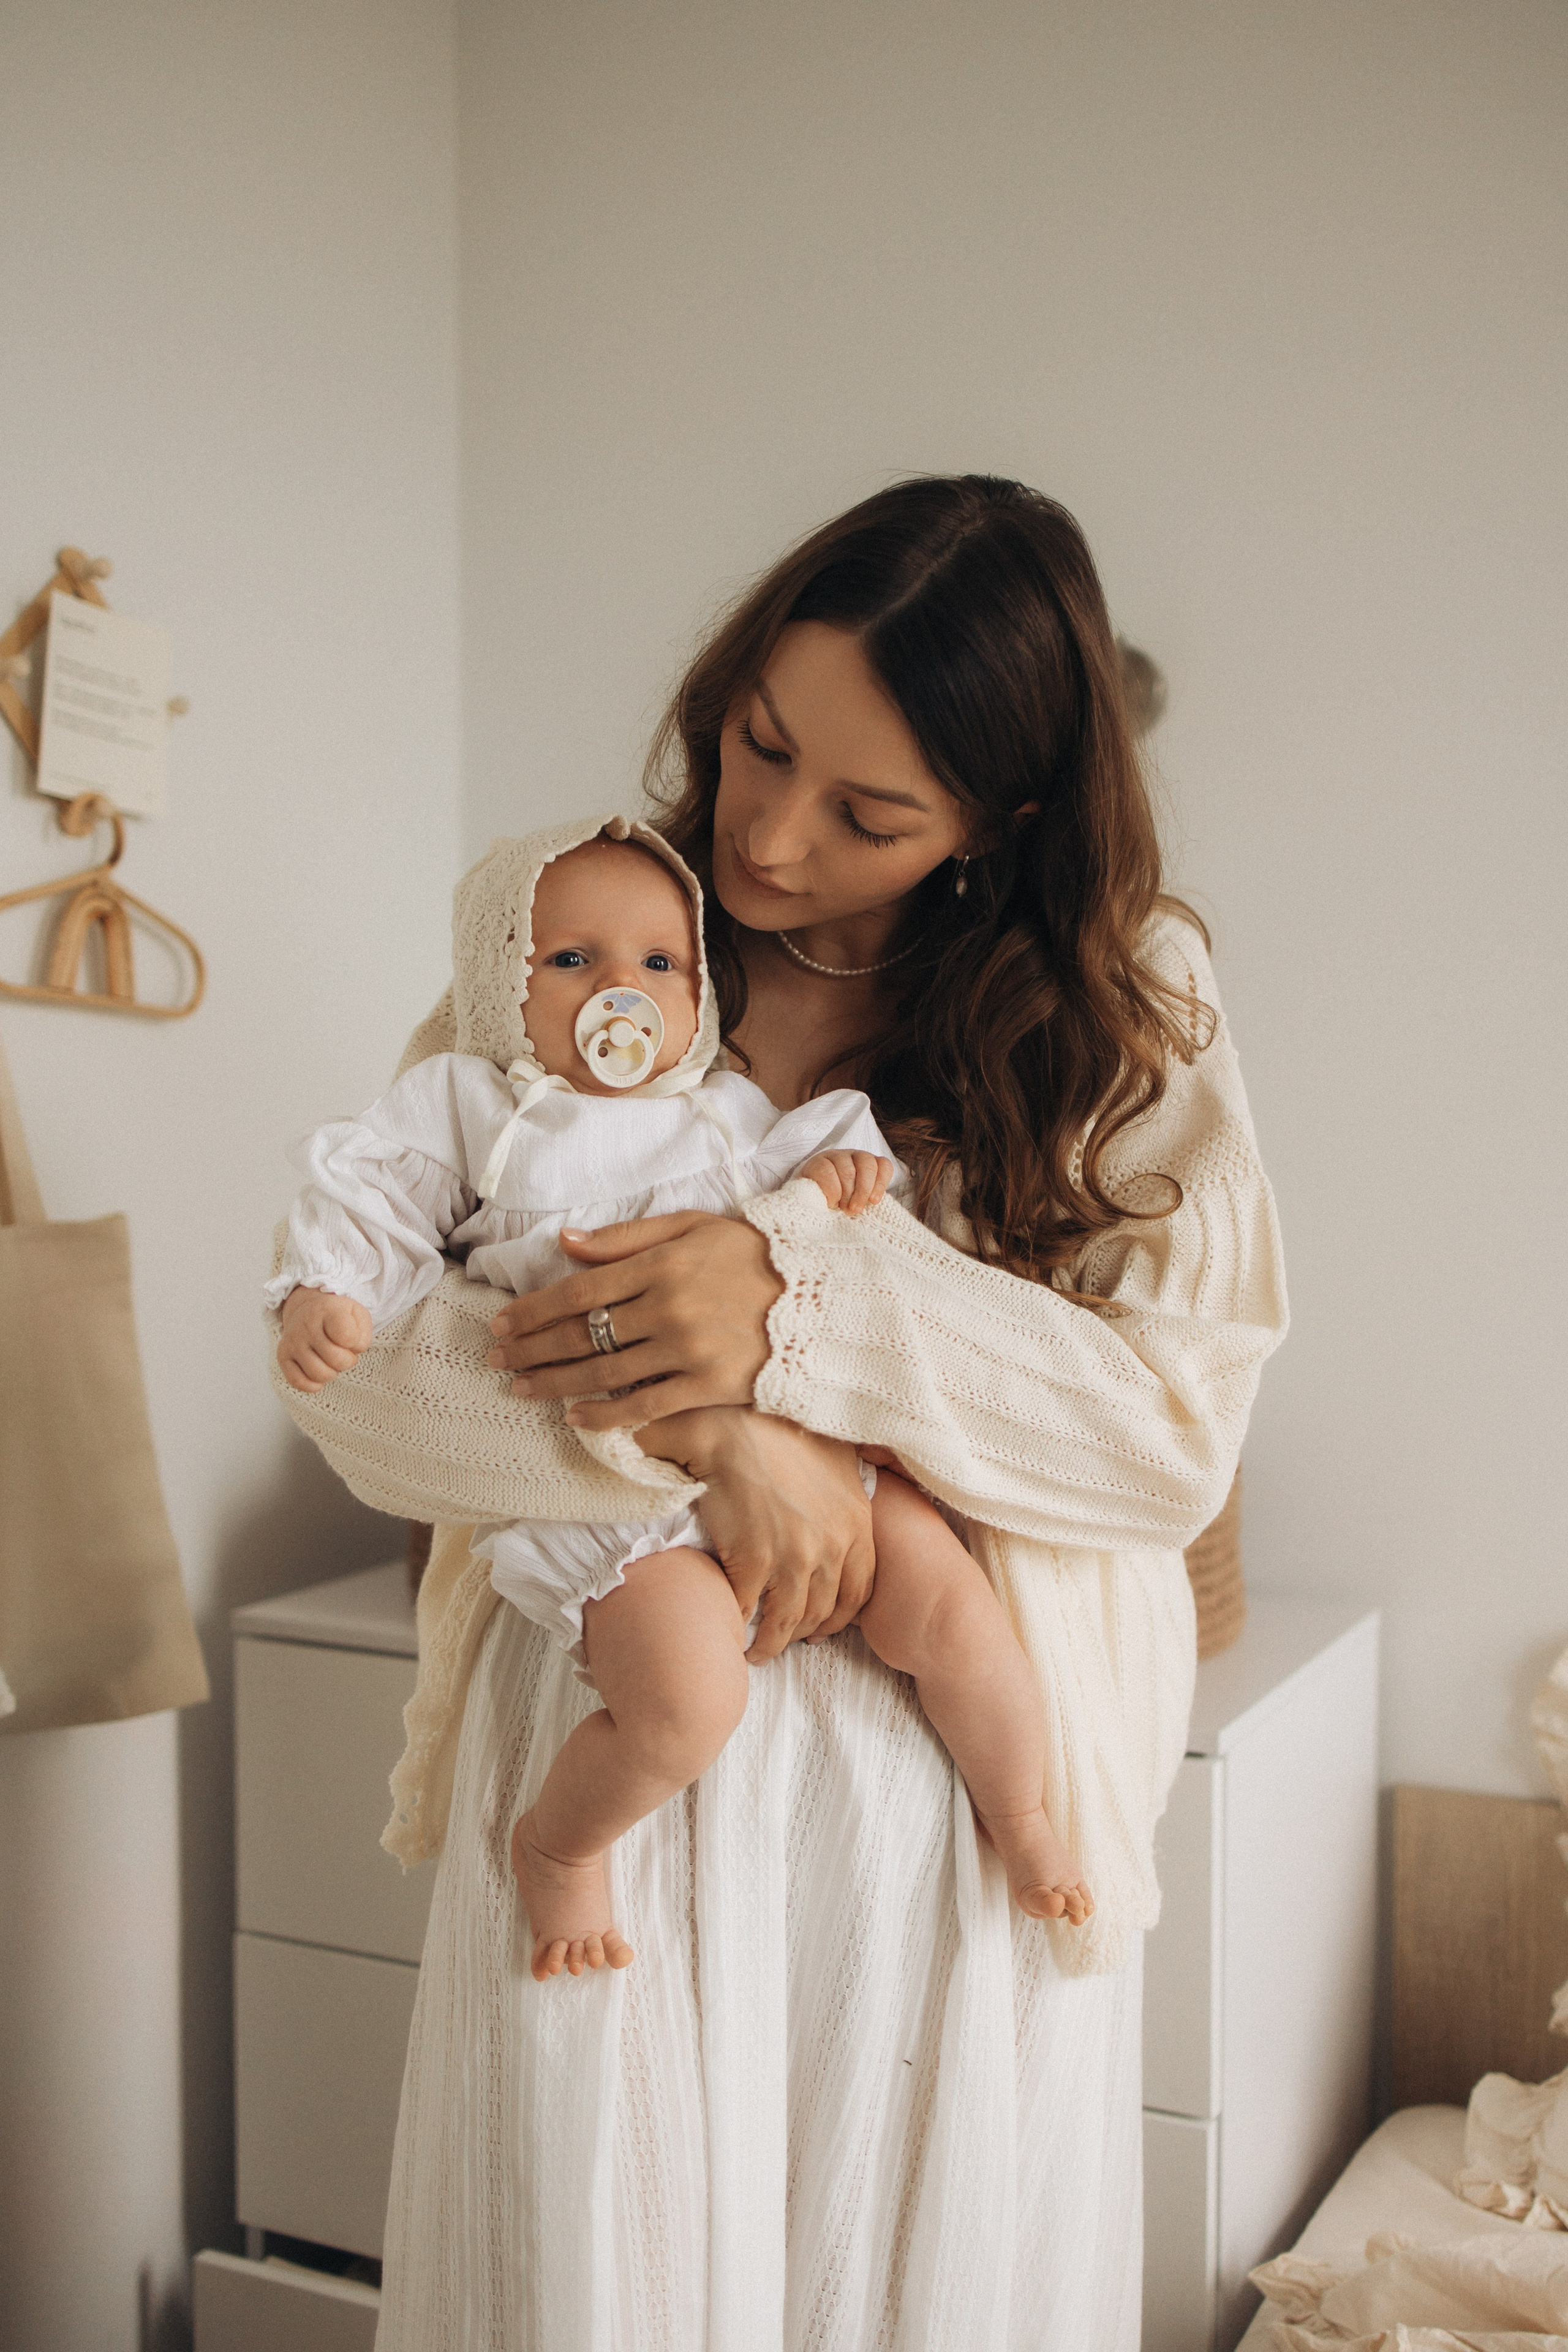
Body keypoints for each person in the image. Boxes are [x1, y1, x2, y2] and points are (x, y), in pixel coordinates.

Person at [270, 475, 1286, 2350]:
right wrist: (735, 1432)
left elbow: (1162, 1438)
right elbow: (380, 1400)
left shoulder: (1133, 1000)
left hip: (942, 1838)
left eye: (870, 813)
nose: (769, 835)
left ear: (1010, 821)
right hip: (602, 1771)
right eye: (757, 744)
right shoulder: (583, 933)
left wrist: (810, 1312)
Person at [268, 822, 1092, 1982]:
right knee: (686, 1706)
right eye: (573, 962)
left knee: (953, 1606)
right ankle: (561, 1849)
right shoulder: (473, 1105)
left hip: (806, 1446)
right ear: (502, 983)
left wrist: (832, 1177)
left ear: (700, 990)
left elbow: (816, 1202)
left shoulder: (719, 1104)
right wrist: (326, 1290)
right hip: (616, 1490)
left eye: (661, 964)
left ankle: (1026, 1813)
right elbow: (363, 1187)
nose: (623, 990)